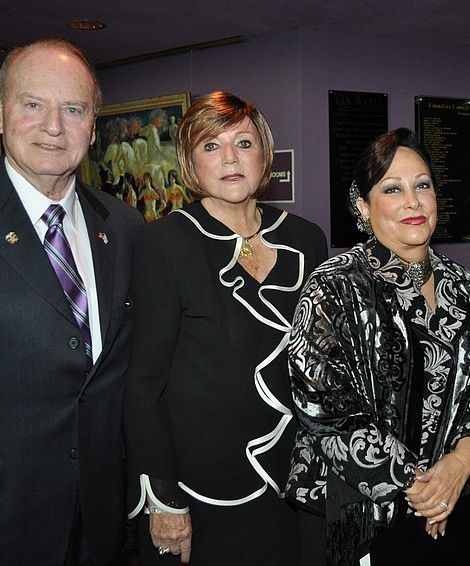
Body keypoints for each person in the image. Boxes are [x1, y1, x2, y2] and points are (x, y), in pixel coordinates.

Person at [0, 38, 143, 565]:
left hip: (100, 522)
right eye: (33, 104)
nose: (53, 127)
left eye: (74, 109)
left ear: (94, 125)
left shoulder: (125, 226)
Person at [285, 127, 470, 565]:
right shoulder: (335, 286)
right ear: (363, 206)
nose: (413, 201)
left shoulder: (466, 289)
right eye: (392, 189)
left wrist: (459, 466)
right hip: (353, 511)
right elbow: (324, 405)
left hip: (450, 503)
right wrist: (422, 485)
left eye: (422, 186)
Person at [123, 91, 329, 565]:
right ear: (190, 163)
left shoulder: (306, 238)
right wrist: (162, 498)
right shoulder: (163, 244)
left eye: (244, 142)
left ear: (265, 154)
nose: (231, 158)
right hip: (203, 485)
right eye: (211, 146)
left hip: (298, 473)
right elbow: (143, 386)